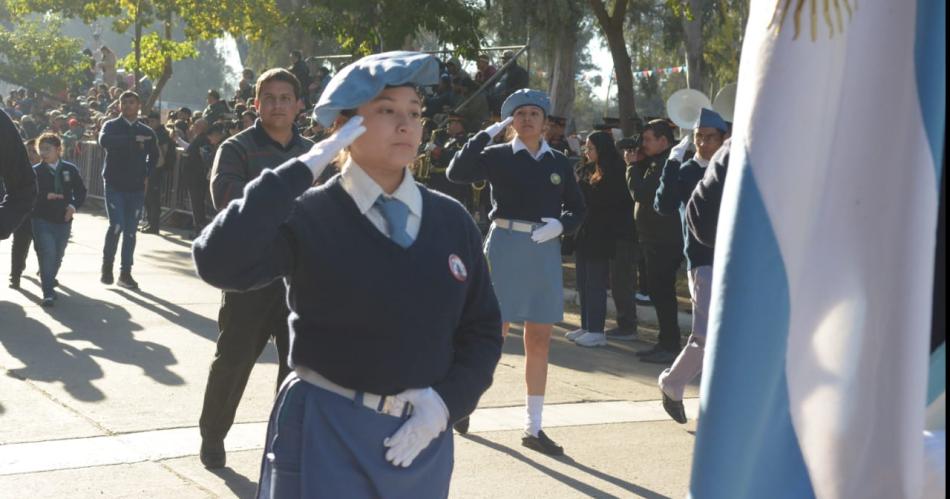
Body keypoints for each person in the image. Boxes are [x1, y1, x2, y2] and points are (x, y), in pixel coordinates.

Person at [193, 51, 503, 498]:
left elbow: (483, 330)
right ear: (344, 127)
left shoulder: (451, 220)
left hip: (420, 439)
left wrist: (447, 404)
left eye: (414, 112)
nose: (407, 124)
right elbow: (218, 261)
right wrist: (297, 172)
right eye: (386, 111)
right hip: (325, 428)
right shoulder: (309, 211)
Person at [448, 88, 586, 455]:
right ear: (511, 121)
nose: (527, 119)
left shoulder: (558, 162)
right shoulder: (496, 155)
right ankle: (464, 402)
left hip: (543, 248)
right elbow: (456, 172)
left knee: (539, 338)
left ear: (545, 122)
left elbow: (576, 209)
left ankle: (533, 427)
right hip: (506, 244)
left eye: (534, 114)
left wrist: (561, 226)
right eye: (520, 114)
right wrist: (485, 135)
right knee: (492, 332)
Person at [197, 68, 314, 470]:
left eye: (286, 98)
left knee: (297, 369)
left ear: (300, 105)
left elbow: (333, 204)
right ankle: (212, 435)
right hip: (248, 276)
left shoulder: (316, 153)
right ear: (256, 103)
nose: (278, 104)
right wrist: (292, 209)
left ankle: (286, 441)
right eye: (270, 97)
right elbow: (228, 199)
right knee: (233, 360)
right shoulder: (236, 148)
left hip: (301, 278)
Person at [653, 108, 727, 422]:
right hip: (702, 259)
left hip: (734, 259)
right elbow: (664, 205)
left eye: (710, 137)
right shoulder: (685, 171)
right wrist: (671, 163)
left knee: (730, 334)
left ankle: (721, 398)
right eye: (699, 137)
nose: (703, 143)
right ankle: (672, 383)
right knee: (706, 333)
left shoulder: (732, 169)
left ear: (723, 139)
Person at [568, 131, 635, 347]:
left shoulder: (616, 171)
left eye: (591, 148)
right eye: (586, 147)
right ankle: (586, 325)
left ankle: (597, 329)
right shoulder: (587, 168)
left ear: (602, 149)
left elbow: (604, 200)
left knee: (595, 283)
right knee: (583, 282)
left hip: (603, 234)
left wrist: (581, 186)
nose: (587, 151)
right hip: (586, 232)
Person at [626, 119, 683, 364]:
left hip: (664, 240)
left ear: (663, 141)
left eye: (649, 140)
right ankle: (665, 341)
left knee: (663, 293)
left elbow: (641, 193)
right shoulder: (656, 162)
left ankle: (670, 344)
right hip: (653, 239)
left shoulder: (666, 164)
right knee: (659, 293)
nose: (644, 144)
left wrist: (630, 167)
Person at [98, 91, 158, 289]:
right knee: (117, 225)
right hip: (115, 184)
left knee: (131, 232)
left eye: (131, 102)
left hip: (136, 188)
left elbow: (154, 155)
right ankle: (107, 266)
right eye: (124, 102)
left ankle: (125, 273)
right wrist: (132, 139)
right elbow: (104, 141)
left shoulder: (147, 131)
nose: (127, 106)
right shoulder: (111, 125)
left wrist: (147, 174)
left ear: (138, 105)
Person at [31, 133, 86, 306]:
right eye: (41, 149)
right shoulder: (36, 171)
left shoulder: (69, 169)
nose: (43, 152)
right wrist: (45, 195)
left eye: (48, 149)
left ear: (58, 150)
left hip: (63, 219)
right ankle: (47, 292)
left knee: (58, 255)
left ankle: (48, 277)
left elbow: (80, 191)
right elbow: (30, 194)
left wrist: (73, 206)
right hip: (41, 218)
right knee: (47, 254)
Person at [6, 136, 39, 288]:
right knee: (20, 244)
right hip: (23, 213)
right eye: (28, 151)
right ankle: (15, 275)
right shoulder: (16, 169)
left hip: (44, 216)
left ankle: (47, 273)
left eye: (35, 151)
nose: (31, 154)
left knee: (44, 247)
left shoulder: (49, 170)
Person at [182, 123, 224, 238]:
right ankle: (199, 230)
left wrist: (205, 156)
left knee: (201, 207)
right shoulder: (201, 139)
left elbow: (210, 161)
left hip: (199, 178)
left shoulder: (206, 141)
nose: (193, 127)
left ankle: (202, 231)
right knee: (198, 207)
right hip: (197, 178)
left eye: (196, 125)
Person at [142, 111, 176, 234]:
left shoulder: (162, 133)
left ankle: (154, 226)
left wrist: (158, 166)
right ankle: (150, 222)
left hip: (157, 168)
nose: (150, 123)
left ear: (157, 121)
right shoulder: (153, 132)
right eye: (149, 121)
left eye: (152, 121)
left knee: (153, 198)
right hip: (150, 167)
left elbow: (164, 151)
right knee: (148, 197)